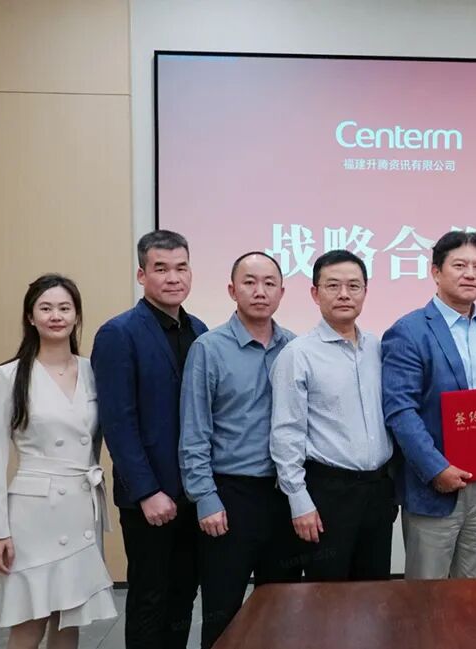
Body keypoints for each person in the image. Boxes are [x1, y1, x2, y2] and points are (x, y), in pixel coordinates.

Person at [0, 274, 116, 648]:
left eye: (64, 308)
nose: (56, 316)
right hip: (33, 514)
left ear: (76, 316)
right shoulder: (8, 376)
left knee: (69, 618)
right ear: (30, 316)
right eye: (46, 308)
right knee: (29, 618)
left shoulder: (92, 371)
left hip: (80, 507)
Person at [91, 230, 207, 649]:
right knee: (149, 598)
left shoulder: (199, 329)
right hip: (150, 498)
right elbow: (118, 421)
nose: (173, 278)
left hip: (194, 492)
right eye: (161, 269)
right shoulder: (118, 333)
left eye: (181, 268)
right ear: (142, 275)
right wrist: (147, 491)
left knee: (183, 594)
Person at [179, 251, 299, 647]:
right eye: (249, 282)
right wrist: (205, 497)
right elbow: (194, 430)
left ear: (282, 292)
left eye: (269, 283)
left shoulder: (295, 347)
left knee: (281, 606)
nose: (260, 291)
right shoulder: (208, 348)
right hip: (230, 495)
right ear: (232, 290)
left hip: (283, 494)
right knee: (223, 608)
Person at [382, 230, 476, 579]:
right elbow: (401, 411)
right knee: (429, 592)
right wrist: (436, 469)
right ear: (436, 272)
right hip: (435, 484)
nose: (470, 274)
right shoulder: (409, 331)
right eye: (459, 265)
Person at [270, 250, 396, 581]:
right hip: (327, 493)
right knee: (327, 595)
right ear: (315, 293)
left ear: (365, 292)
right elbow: (286, 433)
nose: (344, 294)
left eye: (354, 286)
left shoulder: (378, 348)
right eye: (333, 286)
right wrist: (299, 500)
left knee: (374, 591)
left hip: (378, 491)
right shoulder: (298, 355)